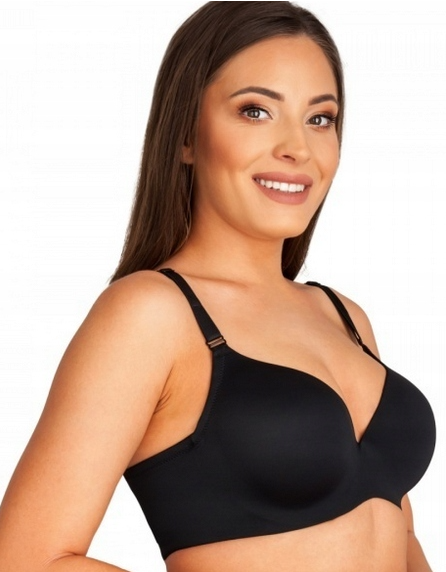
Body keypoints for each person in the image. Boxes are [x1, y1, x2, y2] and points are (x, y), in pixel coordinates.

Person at [0, 2, 436, 571]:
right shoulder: (152, 314)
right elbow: (26, 559)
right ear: (186, 134)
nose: (297, 147)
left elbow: (399, 535)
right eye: (256, 111)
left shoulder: (345, 316)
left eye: (320, 118)